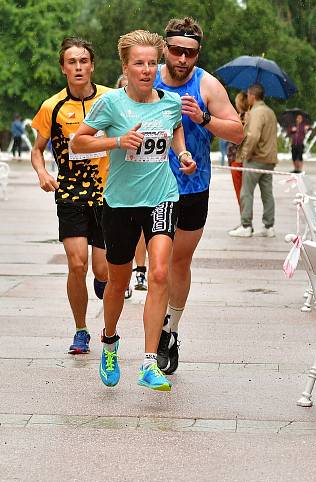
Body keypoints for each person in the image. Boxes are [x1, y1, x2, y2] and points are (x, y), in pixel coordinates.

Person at [72, 29, 197, 392]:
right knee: (118, 282)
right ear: (125, 67)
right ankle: (109, 342)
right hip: (121, 204)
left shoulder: (170, 102)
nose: (146, 70)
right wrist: (117, 140)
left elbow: (175, 131)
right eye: (139, 63)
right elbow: (79, 142)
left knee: (159, 273)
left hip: (162, 196)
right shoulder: (111, 105)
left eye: (152, 63)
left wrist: (183, 155)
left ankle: (148, 363)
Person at [154, 17, 244, 374]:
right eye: (176, 51)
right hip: (153, 186)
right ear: (165, 48)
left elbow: (237, 132)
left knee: (178, 263)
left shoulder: (206, 84)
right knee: (158, 266)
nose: (182, 59)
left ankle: (170, 330)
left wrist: (205, 119)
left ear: (198, 53)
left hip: (194, 188)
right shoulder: (147, 75)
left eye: (189, 53)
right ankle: (154, 335)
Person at [30, 37, 112, 356]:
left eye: (83, 61)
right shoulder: (53, 107)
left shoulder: (111, 99)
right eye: (71, 62)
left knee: (102, 271)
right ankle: (81, 330)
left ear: (92, 65)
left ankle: (107, 293)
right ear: (63, 68)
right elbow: (37, 151)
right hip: (71, 193)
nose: (78, 67)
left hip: (108, 194)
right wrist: (42, 173)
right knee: (77, 265)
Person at [229, 83, 278, 238]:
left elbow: (254, 136)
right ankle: (269, 226)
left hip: (256, 158)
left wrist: (245, 154)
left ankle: (246, 225)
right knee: (267, 193)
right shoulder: (270, 112)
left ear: (252, 95)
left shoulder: (257, 112)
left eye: (248, 95)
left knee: (246, 192)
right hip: (269, 159)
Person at [116, 74, 148, 291]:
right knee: (121, 237)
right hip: (119, 186)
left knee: (143, 234)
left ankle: (140, 272)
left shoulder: (148, 112)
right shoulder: (112, 110)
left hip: (145, 184)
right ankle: (122, 277)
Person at [226, 91, 249, 212]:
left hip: (237, 158)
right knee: (244, 192)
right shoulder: (246, 116)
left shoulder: (242, 118)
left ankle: (245, 221)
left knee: (240, 191)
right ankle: (245, 220)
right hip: (240, 158)